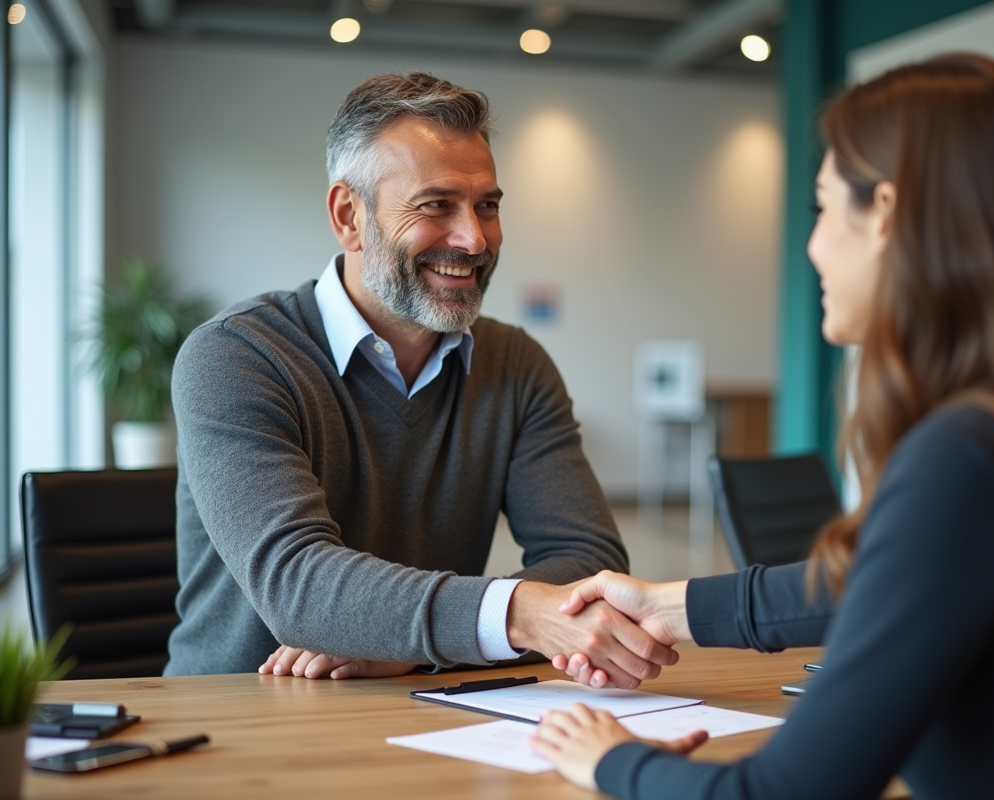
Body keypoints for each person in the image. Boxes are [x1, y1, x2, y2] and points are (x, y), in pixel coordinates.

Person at [530, 53, 994, 799]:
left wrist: (611, 758)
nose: (812, 246)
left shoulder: (972, 457)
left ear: (884, 213)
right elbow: (877, 587)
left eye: (820, 208)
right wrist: (666, 607)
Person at [164, 73, 677, 688]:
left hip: (426, 706)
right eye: (437, 205)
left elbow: (590, 558)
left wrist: (421, 648)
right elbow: (296, 584)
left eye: (488, 205)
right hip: (241, 721)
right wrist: (515, 615)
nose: (475, 238)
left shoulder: (515, 365)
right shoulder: (236, 356)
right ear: (349, 216)